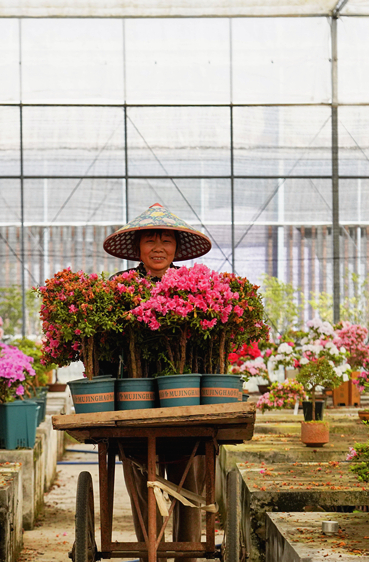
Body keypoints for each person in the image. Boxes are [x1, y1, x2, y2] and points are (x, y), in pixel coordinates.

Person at [101, 203, 212, 556]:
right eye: (151, 240)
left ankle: (189, 550)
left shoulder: (194, 288)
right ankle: (150, 551)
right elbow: (104, 350)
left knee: (187, 477)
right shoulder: (118, 288)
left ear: (177, 247)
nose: (159, 247)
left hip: (184, 400)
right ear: (138, 248)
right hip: (134, 402)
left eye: (166, 240)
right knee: (139, 478)